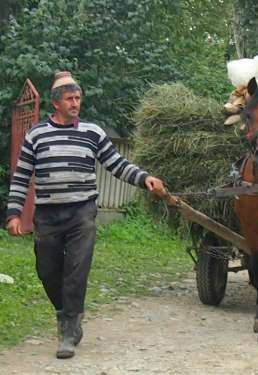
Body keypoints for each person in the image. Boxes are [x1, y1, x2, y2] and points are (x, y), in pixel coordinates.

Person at [5, 71, 165, 359]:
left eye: (78, 98)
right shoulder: (36, 135)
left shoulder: (93, 133)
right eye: (70, 98)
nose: (76, 103)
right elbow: (21, 176)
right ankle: (65, 312)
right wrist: (14, 213)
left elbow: (117, 164)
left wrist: (144, 179)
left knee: (76, 271)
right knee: (47, 271)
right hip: (48, 215)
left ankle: (68, 328)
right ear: (56, 103)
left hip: (81, 212)